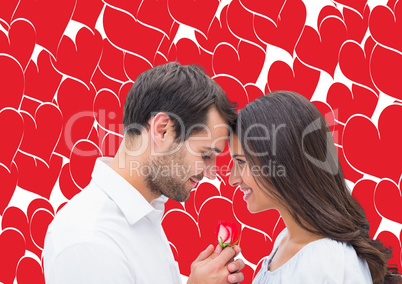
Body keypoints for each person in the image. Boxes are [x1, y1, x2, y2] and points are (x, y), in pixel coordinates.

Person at [43, 62, 245, 283]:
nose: (211, 173)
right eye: (205, 154)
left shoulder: (143, 216)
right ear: (162, 130)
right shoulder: (89, 239)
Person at [228, 91, 401, 284]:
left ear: (285, 161)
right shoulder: (286, 240)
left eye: (241, 162)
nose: (232, 179)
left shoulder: (325, 260)